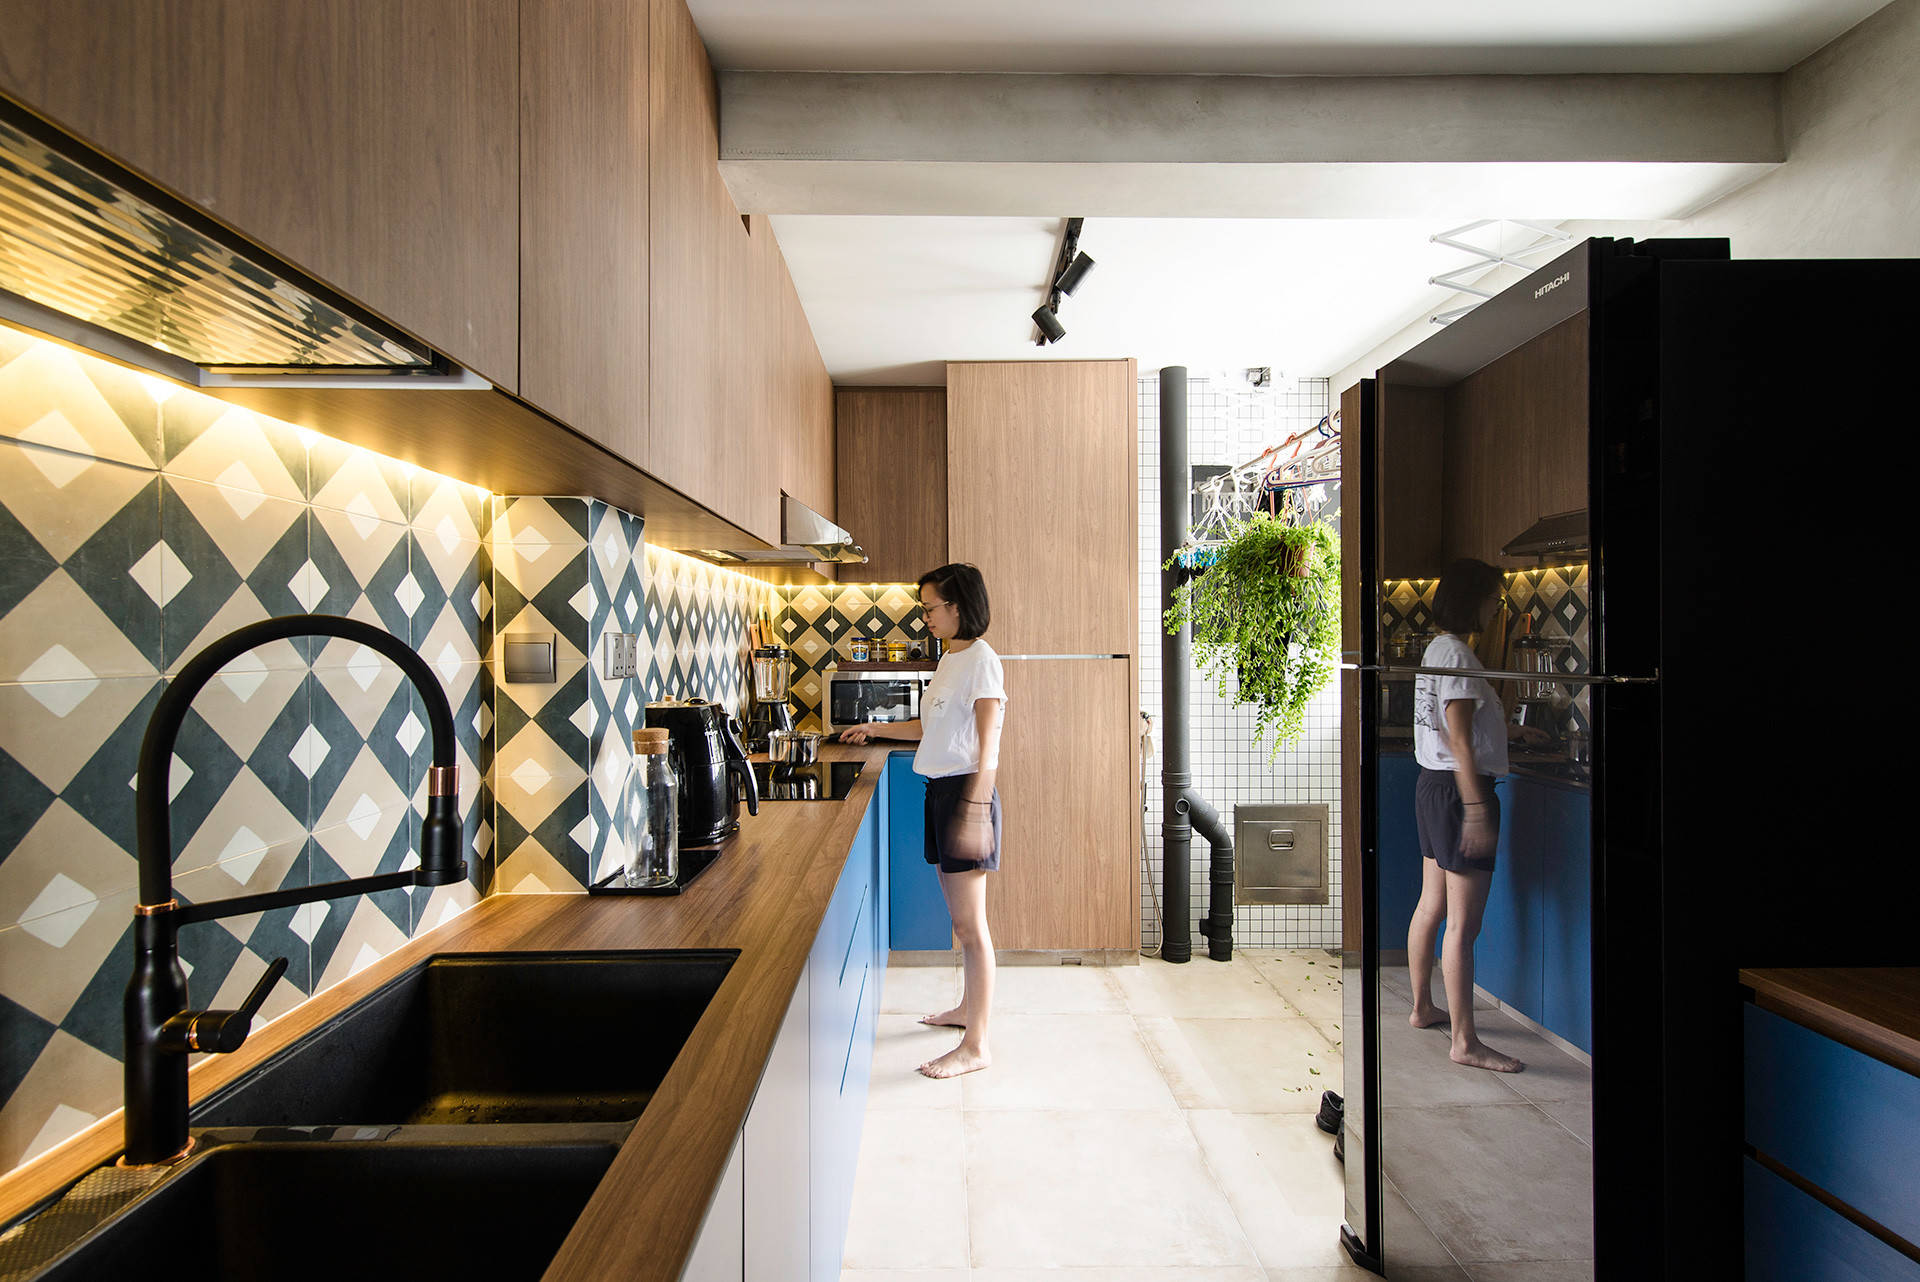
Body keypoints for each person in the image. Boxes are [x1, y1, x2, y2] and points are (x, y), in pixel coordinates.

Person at [838, 563, 1006, 1079]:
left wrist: (975, 808)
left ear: (958, 606)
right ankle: (966, 1011)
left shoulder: (982, 661)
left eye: (931, 607)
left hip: (965, 795)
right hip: (941, 793)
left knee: (972, 926)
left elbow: (990, 742)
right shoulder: (951, 659)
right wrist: (874, 728)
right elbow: (932, 727)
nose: (926, 617)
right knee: (961, 922)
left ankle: (976, 1046)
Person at [1406, 558, 1549, 1073]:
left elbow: (1456, 728)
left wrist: (1514, 732)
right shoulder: (1460, 656)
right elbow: (1461, 739)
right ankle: (1465, 1042)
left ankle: (1422, 1007)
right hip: (1457, 792)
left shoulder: (1438, 649)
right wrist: (1475, 807)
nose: (1496, 608)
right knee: (1463, 926)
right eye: (1494, 599)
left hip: (1432, 785)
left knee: (1432, 905)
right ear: (1475, 600)